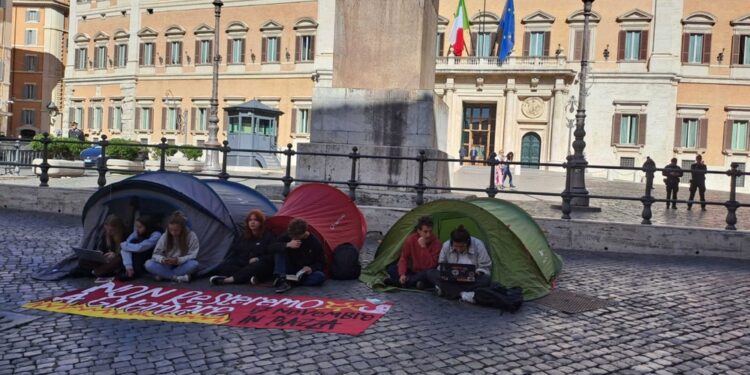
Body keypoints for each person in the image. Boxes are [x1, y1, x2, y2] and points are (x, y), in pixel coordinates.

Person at [209, 209, 276, 286]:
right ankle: (250, 277)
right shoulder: (244, 236)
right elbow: (237, 250)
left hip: (261, 263)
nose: (252, 222)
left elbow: (272, 255)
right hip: (245, 262)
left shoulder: (268, 236)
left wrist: (258, 258)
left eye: (256, 220)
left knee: (257, 266)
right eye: (250, 220)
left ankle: (228, 280)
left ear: (261, 222)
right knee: (225, 265)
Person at [426, 225, 492, 300]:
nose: (458, 249)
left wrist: (477, 273)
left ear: (467, 242)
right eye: (456, 246)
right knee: (430, 273)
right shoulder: (446, 245)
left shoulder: (478, 244)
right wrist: (446, 272)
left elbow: (485, 266)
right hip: (451, 279)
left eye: (462, 246)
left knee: (485, 280)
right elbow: (441, 264)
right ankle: (462, 294)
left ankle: (447, 290)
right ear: (452, 242)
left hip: (470, 280)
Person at [384, 215, 441, 290]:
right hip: (413, 272)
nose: (428, 235)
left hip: (425, 272)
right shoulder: (411, 240)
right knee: (391, 268)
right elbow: (404, 258)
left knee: (430, 273)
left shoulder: (436, 243)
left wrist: (424, 248)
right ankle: (411, 282)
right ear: (419, 231)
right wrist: (402, 274)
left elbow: (431, 265)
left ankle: (402, 283)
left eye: (430, 231)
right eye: (425, 232)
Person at [270, 218, 326, 293]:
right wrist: (287, 244)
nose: (293, 238)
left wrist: (311, 268)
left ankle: (289, 282)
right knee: (280, 250)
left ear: (304, 233)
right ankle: (282, 279)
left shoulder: (315, 242)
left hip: (302, 273)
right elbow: (271, 247)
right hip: (288, 268)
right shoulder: (288, 235)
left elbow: (321, 262)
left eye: (296, 237)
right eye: (292, 236)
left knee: (320, 276)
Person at [144, 211, 200, 282]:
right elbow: (155, 254)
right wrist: (162, 259)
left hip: (182, 264)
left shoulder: (191, 235)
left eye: (176, 230)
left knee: (194, 264)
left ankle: (163, 275)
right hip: (167, 264)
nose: (173, 233)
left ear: (182, 228)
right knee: (148, 264)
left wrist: (178, 260)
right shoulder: (165, 236)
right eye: (171, 230)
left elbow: (193, 255)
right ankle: (177, 278)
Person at [117, 215, 162, 280]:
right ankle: (129, 271)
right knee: (131, 243)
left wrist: (124, 245)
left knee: (132, 244)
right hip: (137, 258)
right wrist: (128, 266)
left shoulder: (156, 235)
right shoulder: (137, 233)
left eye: (140, 227)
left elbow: (141, 247)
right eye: (136, 227)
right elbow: (126, 246)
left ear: (147, 226)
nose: (137, 229)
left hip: (150, 256)